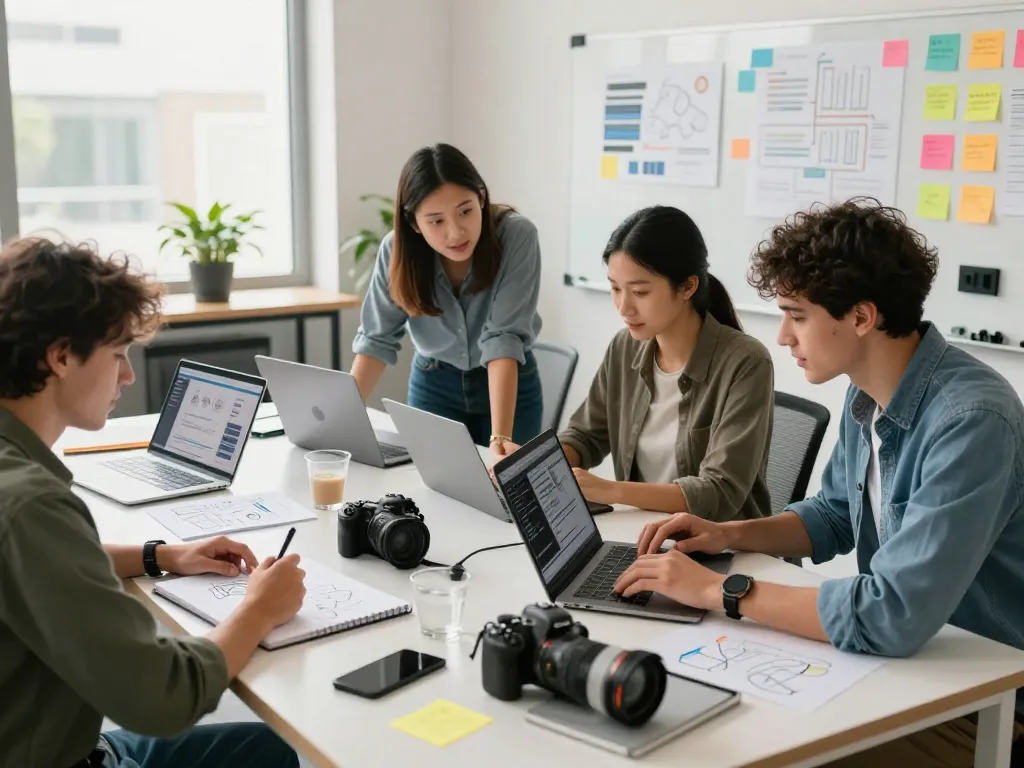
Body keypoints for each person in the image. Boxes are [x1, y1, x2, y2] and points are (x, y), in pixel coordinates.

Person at [614, 198, 1024, 767]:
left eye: (796, 315)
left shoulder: (970, 420)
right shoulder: (870, 388)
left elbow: (892, 614)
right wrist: (725, 533)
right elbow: (833, 514)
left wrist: (718, 592)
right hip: (907, 669)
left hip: (982, 698)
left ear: (860, 317)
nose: (782, 336)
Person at [0, 238, 307, 768]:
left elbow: (40, 562)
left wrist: (163, 555)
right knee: (277, 754)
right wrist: (259, 609)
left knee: (265, 748)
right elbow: (166, 696)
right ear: (62, 355)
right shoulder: (30, 505)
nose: (128, 376)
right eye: (118, 354)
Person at [518, 205, 775, 519]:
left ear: (688, 287)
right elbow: (586, 436)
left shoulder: (746, 362)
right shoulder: (625, 347)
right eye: (614, 289)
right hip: (641, 534)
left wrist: (610, 490)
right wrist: (536, 468)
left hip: (720, 547)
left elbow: (719, 491)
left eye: (640, 292)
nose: (624, 307)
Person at [351, 143, 543, 457]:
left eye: (465, 211)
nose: (456, 233)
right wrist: (339, 421)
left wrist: (500, 438)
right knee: (433, 491)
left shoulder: (516, 236)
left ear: (481, 198)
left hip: (509, 385)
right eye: (436, 221)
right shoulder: (396, 250)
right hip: (433, 384)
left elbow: (503, 338)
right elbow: (376, 338)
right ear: (414, 223)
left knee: (509, 492)